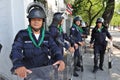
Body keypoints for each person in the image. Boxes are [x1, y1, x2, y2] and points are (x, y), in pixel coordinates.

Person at [10, 2, 65, 79]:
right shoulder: (22, 34)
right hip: (30, 72)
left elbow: (55, 48)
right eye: (33, 19)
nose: (36, 22)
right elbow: (15, 51)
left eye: (39, 20)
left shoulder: (47, 35)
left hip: (45, 71)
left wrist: (60, 59)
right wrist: (18, 65)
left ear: (43, 21)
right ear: (29, 20)